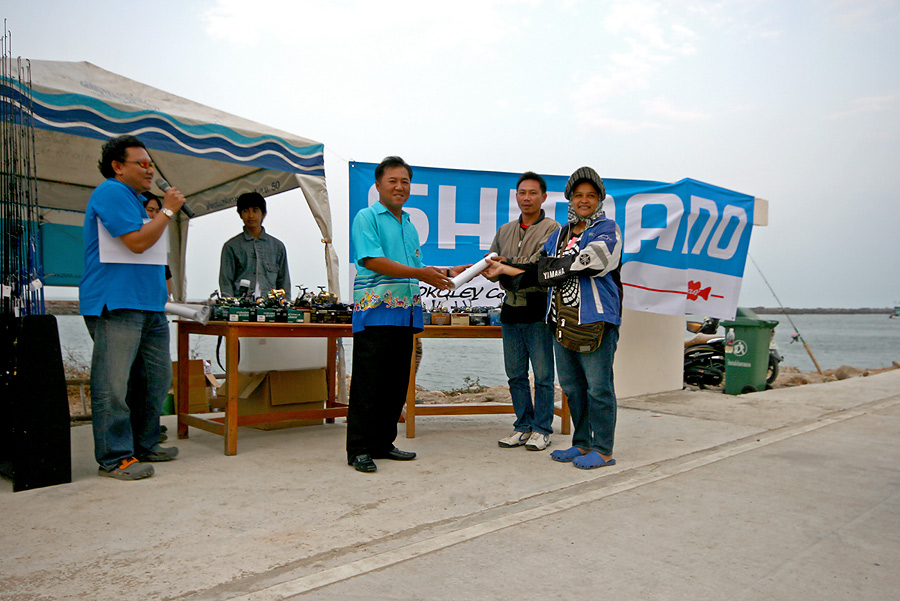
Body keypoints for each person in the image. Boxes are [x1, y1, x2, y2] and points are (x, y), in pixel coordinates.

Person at [482, 166, 623, 470]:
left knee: (599, 387)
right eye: (578, 195)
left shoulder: (607, 228)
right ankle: (582, 443)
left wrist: (549, 267)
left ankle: (604, 449)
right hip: (560, 321)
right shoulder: (559, 234)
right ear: (570, 199)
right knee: (572, 387)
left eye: (590, 195)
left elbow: (591, 261)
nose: (583, 200)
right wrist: (507, 270)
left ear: (599, 199)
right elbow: (539, 272)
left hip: (595, 320)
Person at [346, 155, 467, 473]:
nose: (400, 187)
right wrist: (422, 272)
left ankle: (383, 443)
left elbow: (416, 268)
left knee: (396, 383)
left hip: (406, 315)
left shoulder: (409, 224)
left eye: (405, 181)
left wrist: (447, 271)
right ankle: (358, 448)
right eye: (393, 181)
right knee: (367, 383)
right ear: (378, 185)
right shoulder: (367, 217)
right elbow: (372, 260)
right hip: (375, 312)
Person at [80, 135, 185, 480]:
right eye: (141, 163)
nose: (149, 169)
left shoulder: (138, 201)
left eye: (150, 163)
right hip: (117, 303)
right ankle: (115, 457)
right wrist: (168, 210)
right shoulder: (110, 192)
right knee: (114, 385)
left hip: (149, 305)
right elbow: (137, 243)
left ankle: (145, 442)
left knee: (156, 380)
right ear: (117, 166)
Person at [487, 172, 560, 451]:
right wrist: (501, 268)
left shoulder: (553, 229)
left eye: (532, 193)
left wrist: (509, 265)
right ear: (516, 196)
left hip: (538, 309)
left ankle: (542, 428)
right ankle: (523, 425)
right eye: (521, 193)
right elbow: (493, 266)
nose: (526, 198)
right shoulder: (505, 230)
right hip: (510, 310)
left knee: (542, 375)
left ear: (543, 197)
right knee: (515, 374)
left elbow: (541, 269)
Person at [218, 192, 291, 300]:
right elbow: (226, 281)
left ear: (263, 214)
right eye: (245, 210)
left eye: (255, 210)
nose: (251, 215)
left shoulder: (278, 247)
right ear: (240, 215)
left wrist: (285, 305)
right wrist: (230, 305)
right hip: (241, 307)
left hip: (270, 306)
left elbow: (284, 282)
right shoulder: (231, 246)